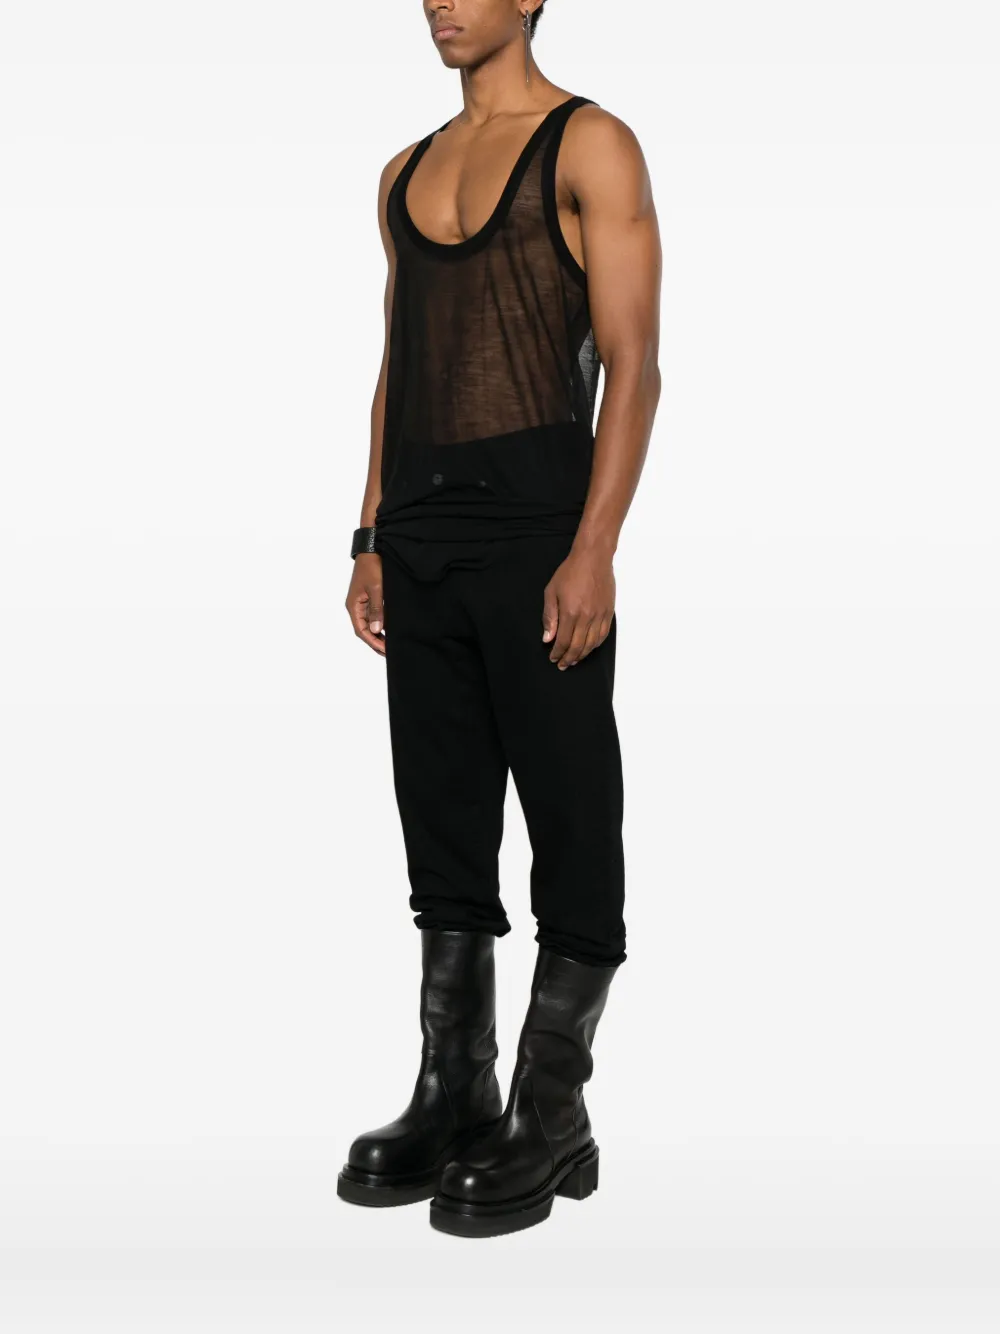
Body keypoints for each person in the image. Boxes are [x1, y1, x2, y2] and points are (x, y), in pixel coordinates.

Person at [337, 0, 661, 1238]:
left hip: (538, 532)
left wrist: (594, 547)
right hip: (419, 531)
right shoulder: (401, 171)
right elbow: (399, 362)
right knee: (443, 815)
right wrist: (370, 532)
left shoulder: (591, 144)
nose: (441, 1)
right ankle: (455, 1089)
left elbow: (632, 362)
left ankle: (551, 1105)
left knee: (571, 810)